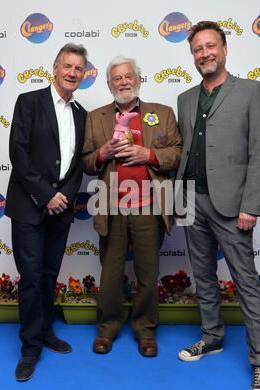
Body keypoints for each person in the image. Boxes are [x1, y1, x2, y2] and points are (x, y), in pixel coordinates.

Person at [175, 21, 260, 390]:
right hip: (189, 201)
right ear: (193, 56)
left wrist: (251, 206)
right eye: (197, 49)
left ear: (224, 48)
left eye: (210, 46)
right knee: (202, 275)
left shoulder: (251, 91)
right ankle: (212, 338)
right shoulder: (185, 98)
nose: (204, 53)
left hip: (233, 206)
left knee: (246, 283)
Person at [82, 56, 182, 357]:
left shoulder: (162, 113)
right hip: (110, 207)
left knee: (148, 273)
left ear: (138, 80)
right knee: (110, 273)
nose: (123, 82)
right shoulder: (95, 117)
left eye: (128, 76)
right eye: (117, 78)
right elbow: (86, 162)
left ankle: (145, 330)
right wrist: (102, 152)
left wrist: (148, 154)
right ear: (109, 83)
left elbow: (177, 153)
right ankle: (107, 328)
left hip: (149, 207)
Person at [5, 43, 88, 381]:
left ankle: (46, 331)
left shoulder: (82, 113)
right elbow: (18, 154)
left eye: (78, 69)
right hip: (29, 206)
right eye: (67, 66)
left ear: (83, 75)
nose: (72, 73)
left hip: (61, 210)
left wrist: (63, 197)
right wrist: (46, 194)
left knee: (50, 274)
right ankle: (29, 348)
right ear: (55, 68)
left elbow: (78, 166)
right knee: (31, 277)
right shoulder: (29, 102)